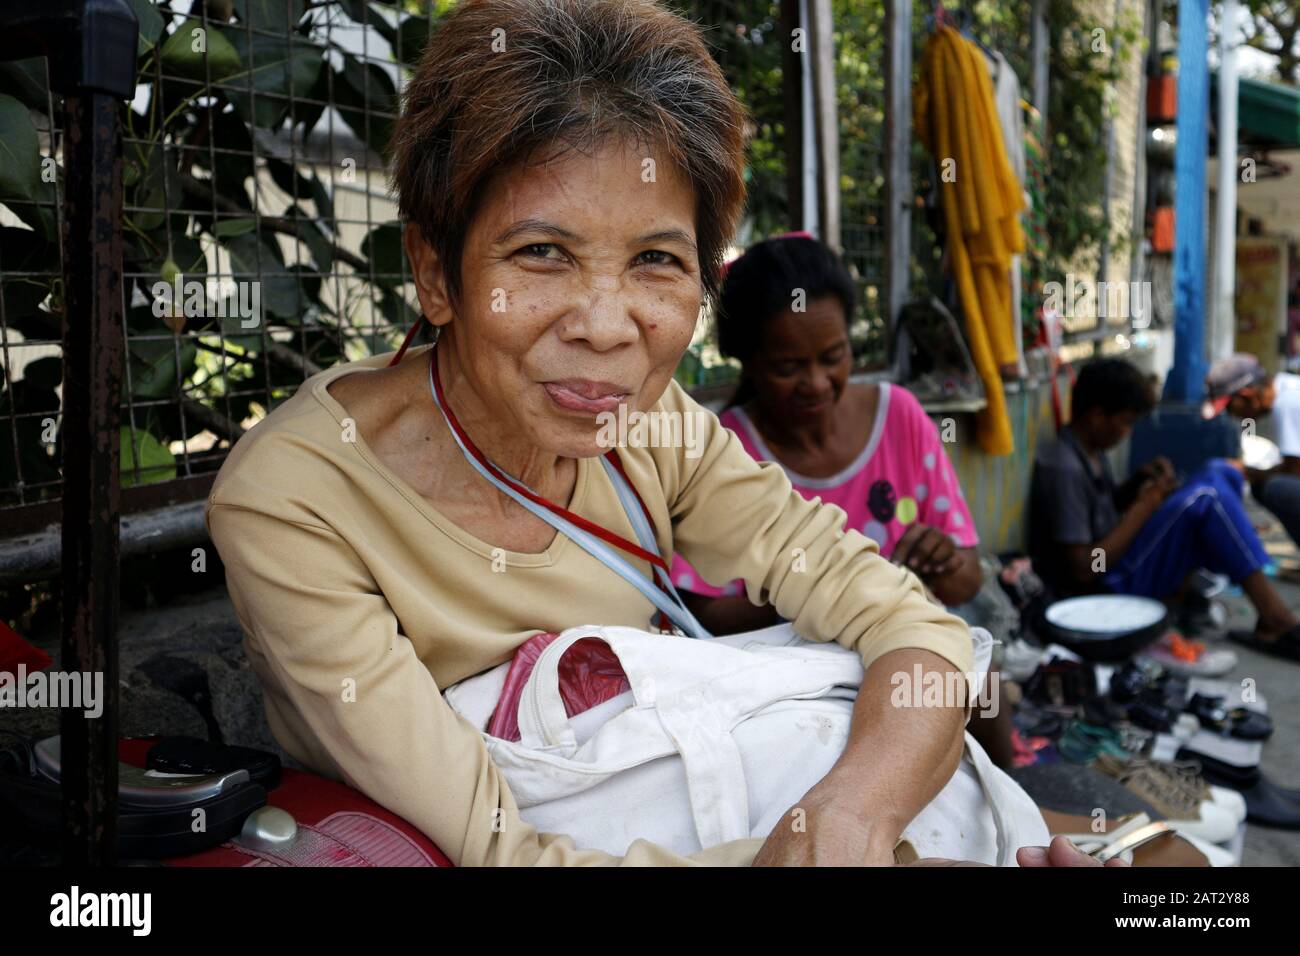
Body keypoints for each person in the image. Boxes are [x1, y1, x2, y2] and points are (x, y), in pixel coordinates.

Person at [207, 0, 1066, 867]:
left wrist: (853, 818)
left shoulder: (653, 428)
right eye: (543, 253)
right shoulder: (298, 499)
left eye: (656, 260)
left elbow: (914, 631)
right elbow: (504, 856)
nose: (607, 328)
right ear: (436, 273)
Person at [669, 234, 982, 637]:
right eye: (788, 367)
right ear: (747, 361)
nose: (816, 383)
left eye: (833, 357)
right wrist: (823, 594)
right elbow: (704, 611)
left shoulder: (900, 418)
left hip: (902, 650)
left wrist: (943, 562)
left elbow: (969, 580)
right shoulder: (723, 450)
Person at [1029, 357, 1299, 660]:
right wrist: (1144, 507)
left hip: (1121, 562)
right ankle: (1277, 618)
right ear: (1097, 416)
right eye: (1126, 422)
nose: (1128, 433)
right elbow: (1085, 568)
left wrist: (1136, 485)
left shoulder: (1089, 450)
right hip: (1105, 587)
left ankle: (1260, 610)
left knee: (1218, 471)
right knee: (1205, 498)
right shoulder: (1064, 467)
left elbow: (1103, 512)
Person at [1203, 353, 1300, 556]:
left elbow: (1293, 474)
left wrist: (1248, 472)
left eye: (1230, 407)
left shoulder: (1287, 402)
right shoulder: (1290, 388)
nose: (1232, 415)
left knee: (1275, 489)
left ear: (1247, 395)